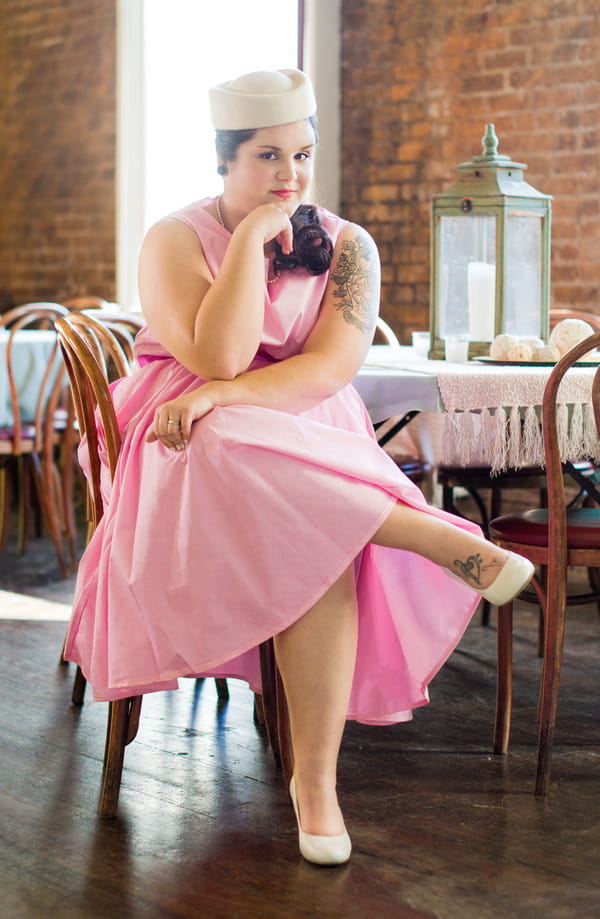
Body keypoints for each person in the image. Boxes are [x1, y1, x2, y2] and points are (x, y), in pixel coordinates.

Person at [64, 68, 534, 865]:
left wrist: (227, 397)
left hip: (295, 422)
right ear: (224, 162)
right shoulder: (174, 237)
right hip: (177, 434)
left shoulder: (350, 248)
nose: (291, 177)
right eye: (268, 157)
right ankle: (423, 532)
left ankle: (315, 784)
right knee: (234, 451)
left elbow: (326, 371)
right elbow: (215, 354)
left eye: (303, 155)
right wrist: (249, 242)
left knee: (299, 510)